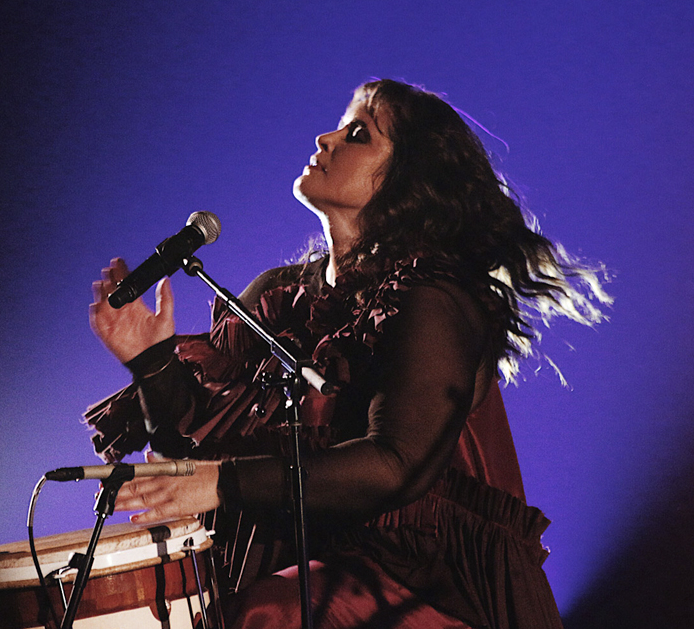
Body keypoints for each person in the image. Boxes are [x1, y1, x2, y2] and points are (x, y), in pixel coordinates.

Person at [85, 79, 609, 629]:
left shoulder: (432, 298)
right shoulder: (277, 298)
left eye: (358, 134)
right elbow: (192, 448)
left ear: (408, 180)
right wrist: (150, 361)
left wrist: (224, 483)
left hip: (417, 584)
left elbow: (396, 465)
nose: (326, 137)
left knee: (267, 614)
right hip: (301, 566)